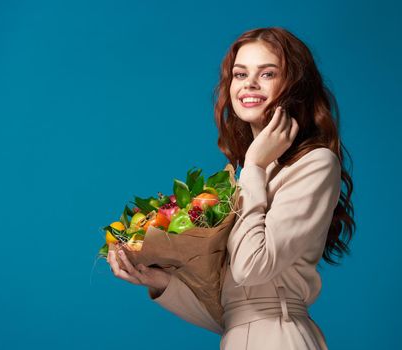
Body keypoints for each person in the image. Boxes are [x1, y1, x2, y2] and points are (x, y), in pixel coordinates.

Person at [108, 26, 355, 349]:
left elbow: (251, 267)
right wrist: (162, 282)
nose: (249, 84)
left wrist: (253, 164)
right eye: (240, 74)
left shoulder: (315, 164)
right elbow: (234, 314)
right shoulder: (243, 180)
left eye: (267, 73)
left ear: (294, 86)